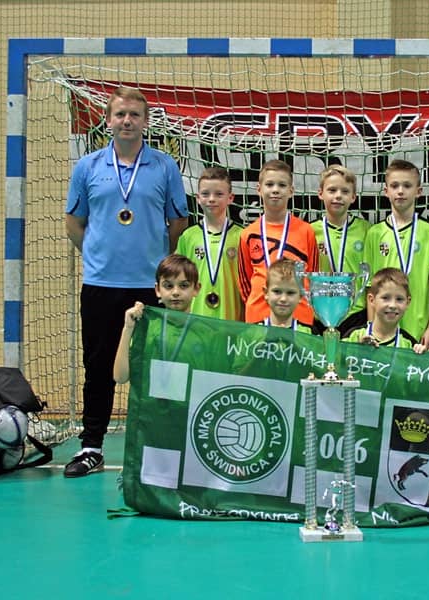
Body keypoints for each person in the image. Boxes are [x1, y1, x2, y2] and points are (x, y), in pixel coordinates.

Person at [64, 86, 189, 478]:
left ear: (146, 121)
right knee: (98, 366)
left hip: (149, 287)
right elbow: (74, 222)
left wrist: (157, 264)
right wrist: (98, 256)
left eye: (135, 114)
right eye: (120, 114)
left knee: (155, 368)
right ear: (108, 120)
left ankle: (156, 449)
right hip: (101, 284)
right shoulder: (87, 167)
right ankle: (91, 446)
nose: (127, 121)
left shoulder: (165, 166)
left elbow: (178, 222)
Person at [363, 159, 429, 350]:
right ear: (386, 191)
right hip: (382, 329)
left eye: (407, 186)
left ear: (418, 191)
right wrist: (370, 328)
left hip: (418, 327)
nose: (400, 191)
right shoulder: (374, 233)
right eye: (395, 185)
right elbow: (369, 286)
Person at [238, 160, 318, 327]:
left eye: (282, 185)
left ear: (291, 191)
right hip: (258, 316)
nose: (275, 190)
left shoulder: (306, 231)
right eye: (269, 184)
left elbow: (313, 277)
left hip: (299, 317)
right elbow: (244, 283)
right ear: (259, 189)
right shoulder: (248, 234)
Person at [113, 255, 201, 386]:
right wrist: (128, 329)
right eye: (168, 286)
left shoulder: (204, 333)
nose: (175, 292)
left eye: (184, 285)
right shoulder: (147, 328)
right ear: (158, 290)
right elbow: (120, 377)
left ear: (196, 289)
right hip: (148, 400)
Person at [176, 166, 243, 321]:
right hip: (195, 319)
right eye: (206, 194)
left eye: (219, 194)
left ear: (231, 198)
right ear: (198, 198)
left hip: (232, 320)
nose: (211, 199)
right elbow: (177, 279)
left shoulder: (242, 236)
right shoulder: (188, 236)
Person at [310, 165, 371, 335]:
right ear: (320, 193)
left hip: (355, 313)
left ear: (353, 197)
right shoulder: (310, 231)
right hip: (319, 313)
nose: (338, 196)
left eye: (345, 191)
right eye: (332, 190)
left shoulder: (366, 230)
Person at [344, 268, 426, 353]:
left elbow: (418, 360)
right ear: (372, 300)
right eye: (386, 298)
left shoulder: (410, 345)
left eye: (399, 299)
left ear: (408, 302)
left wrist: (420, 356)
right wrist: (356, 350)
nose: (392, 305)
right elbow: (339, 358)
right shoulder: (354, 336)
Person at [262, 259, 314, 333]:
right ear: (266, 293)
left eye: (290, 293)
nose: (283, 299)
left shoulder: (309, 334)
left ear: (300, 296)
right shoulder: (253, 333)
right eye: (277, 291)